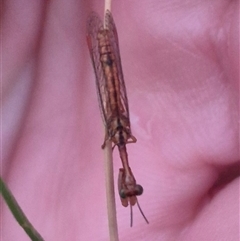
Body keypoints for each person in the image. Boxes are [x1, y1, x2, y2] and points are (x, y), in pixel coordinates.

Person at [2, 1, 239, 240]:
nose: (129, 186)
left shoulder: (120, 141)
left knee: (107, 82)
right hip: (111, 76)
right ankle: (104, 41)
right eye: (131, 187)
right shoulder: (125, 137)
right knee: (109, 78)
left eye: (128, 189)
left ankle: (102, 42)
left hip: (109, 86)